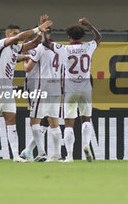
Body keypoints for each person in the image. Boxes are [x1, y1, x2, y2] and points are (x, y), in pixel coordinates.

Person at [0, 18, 53, 162]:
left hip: (7, 89)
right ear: (8, 34)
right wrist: (38, 28)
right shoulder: (1, 44)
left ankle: (15, 156)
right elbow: (21, 38)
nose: (18, 35)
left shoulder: (15, 48)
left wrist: (41, 33)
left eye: (18, 33)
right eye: (14, 33)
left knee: (11, 120)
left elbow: (33, 43)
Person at [43, 17, 102, 162]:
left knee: (69, 123)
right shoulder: (89, 47)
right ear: (81, 36)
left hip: (70, 90)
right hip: (86, 89)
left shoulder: (64, 49)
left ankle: (69, 156)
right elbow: (99, 37)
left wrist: (43, 29)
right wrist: (89, 25)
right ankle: (86, 145)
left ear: (69, 37)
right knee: (86, 119)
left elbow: (45, 43)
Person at [22, 25, 63, 162]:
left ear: (41, 35)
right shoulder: (60, 47)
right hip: (57, 88)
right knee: (54, 122)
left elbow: (28, 69)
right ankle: (57, 155)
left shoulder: (39, 48)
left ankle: (41, 152)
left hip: (43, 88)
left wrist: (25, 59)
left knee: (34, 120)